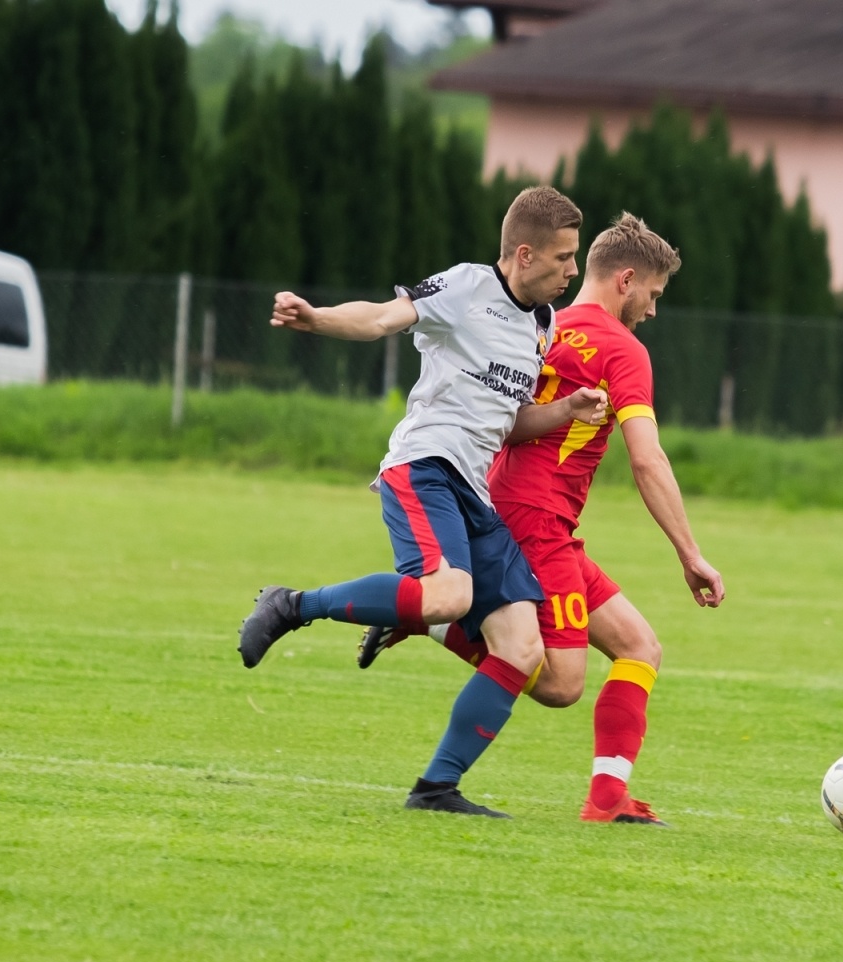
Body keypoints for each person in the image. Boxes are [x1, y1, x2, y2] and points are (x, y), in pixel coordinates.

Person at [239, 186, 608, 818]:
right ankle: (293, 604)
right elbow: (383, 318)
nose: (574, 271)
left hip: (472, 488)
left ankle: (436, 789)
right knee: (450, 596)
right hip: (426, 464)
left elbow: (508, 423)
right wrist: (318, 318)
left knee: (524, 650)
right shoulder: (466, 287)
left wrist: (565, 411)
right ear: (524, 254)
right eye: (565, 258)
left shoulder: (540, 325)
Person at [358, 213, 725, 826]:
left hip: (514, 507)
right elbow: (647, 459)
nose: (654, 312)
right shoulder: (623, 350)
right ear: (628, 280)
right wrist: (690, 553)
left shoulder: (543, 326)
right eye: (654, 296)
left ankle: (607, 799)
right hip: (538, 521)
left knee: (640, 645)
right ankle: (432, 620)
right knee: (558, 683)